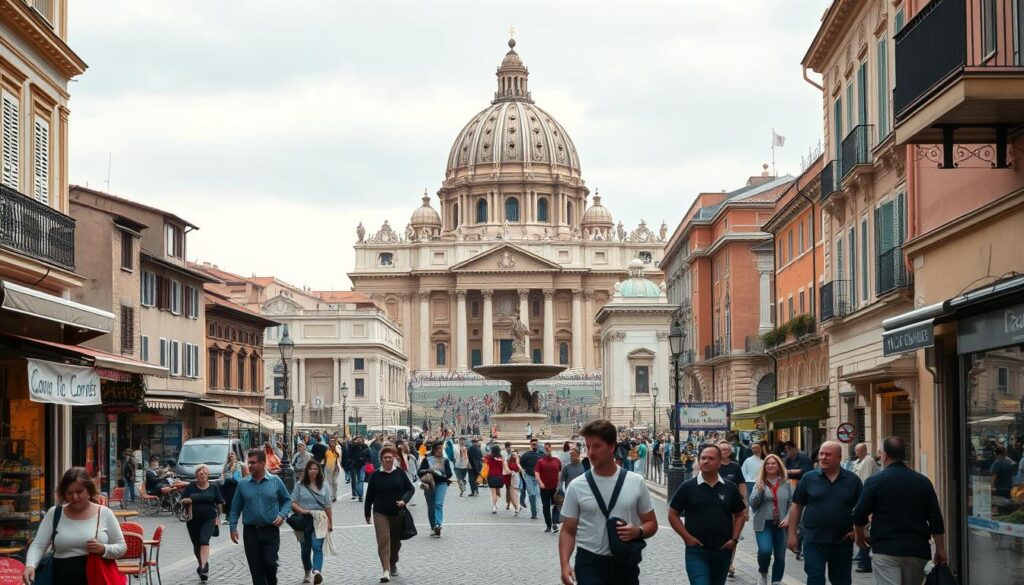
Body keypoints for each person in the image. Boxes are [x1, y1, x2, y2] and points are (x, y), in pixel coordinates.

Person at [559, 419, 657, 585]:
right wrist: (564, 564)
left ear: (612, 446)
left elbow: (651, 523)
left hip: (625, 562)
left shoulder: (636, 481)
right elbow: (568, 530)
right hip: (589, 563)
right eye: (587, 446)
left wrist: (638, 531)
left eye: (596, 446)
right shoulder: (576, 486)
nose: (590, 452)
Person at [853, 436, 947, 585]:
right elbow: (935, 518)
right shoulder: (923, 482)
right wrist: (940, 549)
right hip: (917, 549)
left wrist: (859, 536)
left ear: (884, 455)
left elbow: (859, 514)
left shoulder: (875, 481)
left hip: (885, 548)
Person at [23, 467, 128, 585]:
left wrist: (103, 549)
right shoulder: (54, 513)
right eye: (70, 493)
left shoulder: (104, 513)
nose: (75, 497)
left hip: (96, 578)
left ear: (88, 490)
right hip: (61, 578)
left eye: (79, 491)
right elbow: (38, 546)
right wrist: (30, 565)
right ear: (64, 494)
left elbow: (122, 547)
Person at [668, 445, 746, 585]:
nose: (705, 461)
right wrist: (687, 538)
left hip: (722, 550)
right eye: (703, 458)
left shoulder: (730, 487)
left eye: (711, 458)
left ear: (719, 463)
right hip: (696, 551)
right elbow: (672, 513)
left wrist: (734, 540)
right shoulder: (688, 486)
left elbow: (740, 514)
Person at [787, 441, 862, 585]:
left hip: (842, 541)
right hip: (813, 539)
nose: (823, 457)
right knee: (815, 578)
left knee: (841, 581)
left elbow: (862, 508)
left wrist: (857, 530)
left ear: (839, 457)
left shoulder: (852, 480)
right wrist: (792, 534)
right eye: (821, 454)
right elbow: (796, 506)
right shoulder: (808, 478)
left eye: (828, 454)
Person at [229, 448, 293, 585]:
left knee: (270, 563)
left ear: (263, 463)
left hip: (271, 530)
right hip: (250, 532)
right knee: (256, 569)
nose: (250, 465)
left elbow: (287, 500)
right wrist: (233, 527)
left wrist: (282, 515)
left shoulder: (275, 481)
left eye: (253, 462)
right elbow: (235, 509)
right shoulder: (243, 484)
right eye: (249, 462)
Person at [365, 446, 415, 584]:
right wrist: (367, 513)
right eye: (385, 457)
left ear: (394, 458)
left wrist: (404, 500)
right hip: (380, 512)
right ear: (381, 460)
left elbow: (410, 489)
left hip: (397, 513)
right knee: (383, 541)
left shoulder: (399, 473)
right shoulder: (375, 475)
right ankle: (385, 571)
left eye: (390, 457)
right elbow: (369, 496)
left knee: (395, 543)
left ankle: (393, 562)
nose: (387, 459)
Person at [749, 454, 792, 585]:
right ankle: (763, 572)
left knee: (780, 556)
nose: (770, 465)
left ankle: (776, 581)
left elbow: (792, 503)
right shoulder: (759, 482)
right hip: (763, 524)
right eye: (768, 464)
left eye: (773, 463)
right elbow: (753, 503)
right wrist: (759, 491)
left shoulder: (786, 483)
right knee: (765, 551)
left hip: (781, 524)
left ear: (778, 466)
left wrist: (788, 517)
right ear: (764, 467)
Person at [291, 460, 333, 584]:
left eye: (315, 469)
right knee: (305, 549)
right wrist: (301, 510)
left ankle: (317, 572)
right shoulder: (299, 485)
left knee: (317, 546)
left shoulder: (324, 485)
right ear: (307, 471)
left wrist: (330, 523)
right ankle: (307, 571)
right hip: (304, 519)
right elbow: (292, 502)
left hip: (320, 519)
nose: (313, 471)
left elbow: (328, 506)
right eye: (311, 469)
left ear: (319, 471)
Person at [181, 464, 225, 582]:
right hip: (193, 521)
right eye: (201, 474)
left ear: (208, 475)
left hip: (209, 519)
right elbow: (182, 500)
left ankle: (203, 567)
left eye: (205, 474)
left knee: (204, 540)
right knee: (196, 545)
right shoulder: (191, 487)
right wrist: (186, 501)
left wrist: (218, 516)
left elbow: (219, 502)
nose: (203, 476)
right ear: (196, 475)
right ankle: (201, 565)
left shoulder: (213, 487)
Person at [851, 442, 878, 573]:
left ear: (864, 450)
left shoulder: (869, 461)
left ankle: (865, 560)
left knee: (865, 529)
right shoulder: (857, 461)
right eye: (855, 450)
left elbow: (866, 480)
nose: (855, 452)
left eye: (857, 450)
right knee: (862, 528)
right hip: (858, 496)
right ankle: (862, 557)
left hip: (863, 497)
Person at [418, 442, 453, 537]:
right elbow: (419, 472)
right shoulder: (427, 459)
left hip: (441, 483)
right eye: (438, 448)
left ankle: (437, 525)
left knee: (438, 504)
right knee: (431, 506)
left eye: (441, 448)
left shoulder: (445, 460)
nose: (440, 450)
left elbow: (449, 474)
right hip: (429, 483)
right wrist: (428, 470)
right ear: (434, 449)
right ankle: (433, 527)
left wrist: (442, 472)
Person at [536, 441, 563, 533]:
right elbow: (536, 473)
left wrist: (560, 483)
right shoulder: (540, 461)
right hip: (544, 488)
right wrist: (540, 482)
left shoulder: (557, 460)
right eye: (545, 449)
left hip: (555, 488)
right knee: (546, 507)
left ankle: (555, 523)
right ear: (544, 450)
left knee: (556, 505)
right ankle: (548, 525)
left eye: (548, 449)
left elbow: (560, 471)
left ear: (551, 449)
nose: (547, 450)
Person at [519, 439, 542, 519]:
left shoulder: (526, 455)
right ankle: (535, 510)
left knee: (532, 494)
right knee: (536, 494)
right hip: (535, 476)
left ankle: (534, 511)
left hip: (530, 475)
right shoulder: (541, 455)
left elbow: (522, 464)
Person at [484, 445, 507, 514]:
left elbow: (485, 464)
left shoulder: (488, 457)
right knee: (498, 492)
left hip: (491, 475)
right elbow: (504, 467)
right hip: (499, 476)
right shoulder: (501, 458)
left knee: (493, 492)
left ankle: (494, 506)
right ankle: (496, 503)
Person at [349, 436, 371, 502]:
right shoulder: (354, 446)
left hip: (361, 465)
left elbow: (369, 456)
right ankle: (360, 495)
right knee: (358, 480)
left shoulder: (364, 447)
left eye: (360, 439)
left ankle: (360, 495)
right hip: (356, 465)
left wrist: (368, 462)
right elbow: (350, 455)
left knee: (360, 480)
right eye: (357, 439)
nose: (359, 441)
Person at [323, 437, 342, 503]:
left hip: (335, 468)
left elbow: (339, 458)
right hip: (328, 467)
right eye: (330, 441)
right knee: (329, 482)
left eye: (333, 441)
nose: (332, 442)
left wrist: (335, 449)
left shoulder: (338, 448)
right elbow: (325, 457)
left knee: (335, 482)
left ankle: (335, 496)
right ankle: (330, 496)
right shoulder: (327, 448)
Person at [505, 450, 522, 515]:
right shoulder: (509, 461)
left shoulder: (520, 461)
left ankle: (517, 508)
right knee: (511, 496)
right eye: (513, 454)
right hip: (509, 479)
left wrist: (518, 463)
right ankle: (516, 507)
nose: (514, 455)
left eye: (515, 454)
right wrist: (510, 472)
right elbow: (506, 469)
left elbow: (521, 470)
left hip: (517, 479)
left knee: (516, 494)